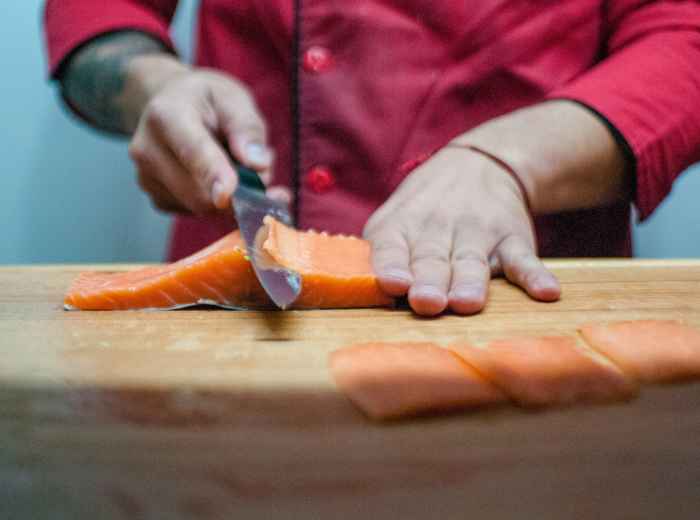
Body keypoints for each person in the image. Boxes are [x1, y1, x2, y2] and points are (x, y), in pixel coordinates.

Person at [44, 1, 700, 316]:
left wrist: (510, 160)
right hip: (236, 292)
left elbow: (684, 32)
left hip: (516, 289)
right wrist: (155, 86)